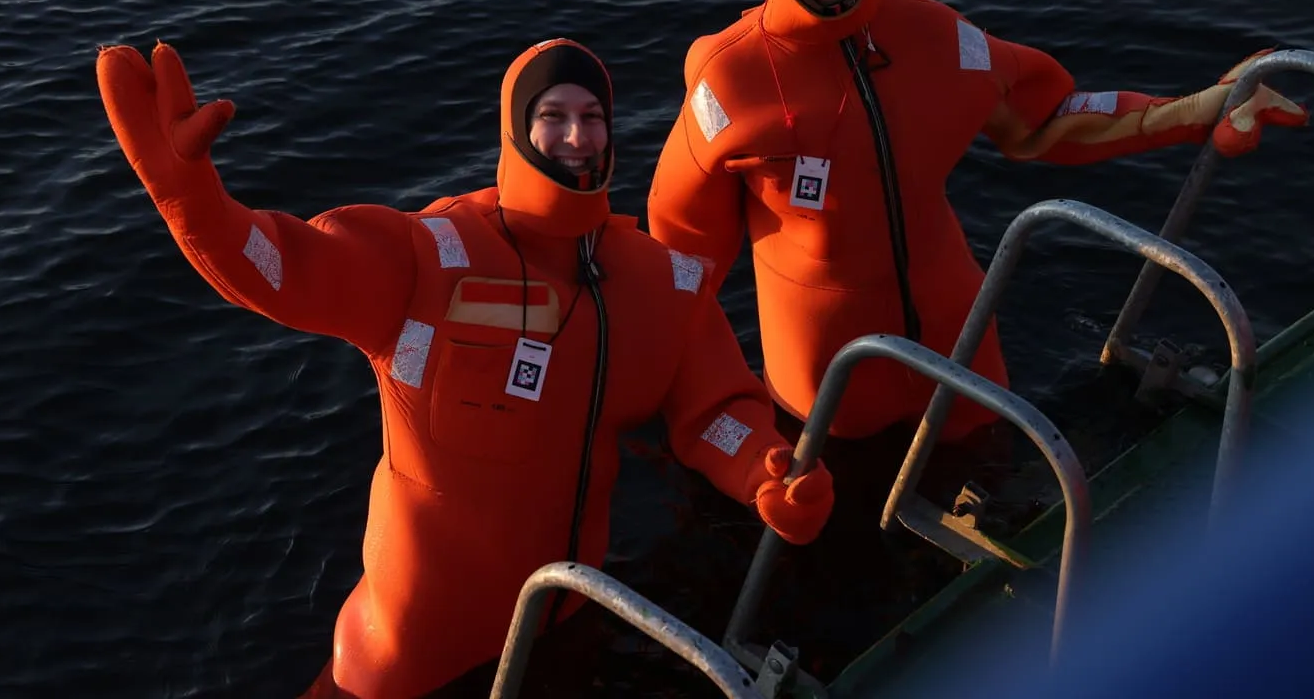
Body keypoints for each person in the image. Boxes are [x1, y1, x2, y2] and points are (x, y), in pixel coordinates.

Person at [96, 38, 834, 699]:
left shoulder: (655, 280)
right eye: (551, 116)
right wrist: (194, 201)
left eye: (592, 118)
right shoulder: (429, 258)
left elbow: (715, 412)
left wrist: (765, 471)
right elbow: (283, 266)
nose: (576, 138)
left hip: (564, 617)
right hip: (408, 653)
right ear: (515, 130)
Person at [645, 0, 1308, 460]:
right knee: (826, 493)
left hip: (954, 322)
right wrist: (698, 402)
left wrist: (1201, 109)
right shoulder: (729, 79)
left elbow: (1047, 118)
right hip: (819, 351)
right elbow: (682, 246)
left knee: (988, 455)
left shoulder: (934, 35)